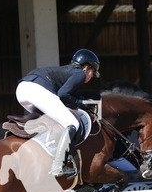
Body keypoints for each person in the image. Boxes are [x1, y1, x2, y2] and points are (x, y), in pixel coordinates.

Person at [16, 49, 101, 179]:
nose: (91, 77)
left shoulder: (68, 71)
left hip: (22, 90)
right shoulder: (80, 73)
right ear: (87, 67)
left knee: (53, 121)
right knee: (72, 123)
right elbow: (63, 95)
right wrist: (81, 103)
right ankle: (58, 165)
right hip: (36, 90)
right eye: (93, 73)